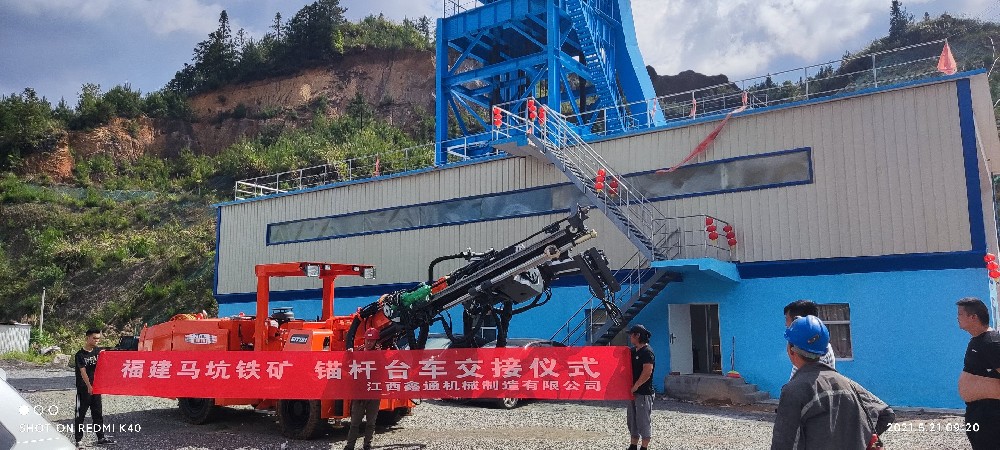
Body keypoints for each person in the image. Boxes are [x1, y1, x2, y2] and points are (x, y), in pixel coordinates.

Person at [771, 316, 894, 450]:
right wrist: (861, 439)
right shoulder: (848, 384)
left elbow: (783, 444)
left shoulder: (793, 391)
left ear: (791, 349)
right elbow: (887, 414)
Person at [956, 297, 1000, 449]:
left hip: (991, 415)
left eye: (960, 314)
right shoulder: (977, 340)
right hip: (978, 411)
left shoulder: (992, 342)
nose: (957, 317)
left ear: (973, 317)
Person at [74, 328, 114, 447]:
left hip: (97, 388)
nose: (97, 341)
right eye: (95, 338)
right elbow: (83, 372)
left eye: (98, 338)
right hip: (83, 389)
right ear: (88, 338)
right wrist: (89, 386)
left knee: (97, 414)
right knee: (80, 415)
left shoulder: (99, 351)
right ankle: (78, 440)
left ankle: (101, 437)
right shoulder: (80, 355)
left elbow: (113, 354)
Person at [345, 327, 382, 450]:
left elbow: (384, 370)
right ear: (364, 339)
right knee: (355, 423)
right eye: (367, 340)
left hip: (373, 394)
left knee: (371, 423)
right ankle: (350, 446)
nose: (369, 343)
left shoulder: (379, 356)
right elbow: (348, 366)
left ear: (376, 342)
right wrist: (349, 354)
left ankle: (367, 445)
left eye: (372, 341)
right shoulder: (358, 352)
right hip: (359, 394)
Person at [783, 300, 835, 378]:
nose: (786, 324)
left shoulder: (810, 350)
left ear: (797, 320)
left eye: (787, 319)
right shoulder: (820, 345)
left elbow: (808, 381)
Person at [625, 324, 654, 450]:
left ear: (637, 336)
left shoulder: (647, 352)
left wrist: (636, 386)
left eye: (631, 335)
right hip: (632, 392)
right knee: (632, 420)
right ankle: (633, 445)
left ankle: (644, 447)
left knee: (643, 420)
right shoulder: (632, 351)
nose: (630, 337)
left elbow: (647, 372)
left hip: (643, 392)